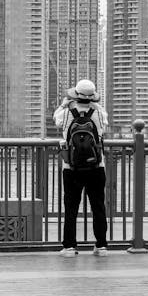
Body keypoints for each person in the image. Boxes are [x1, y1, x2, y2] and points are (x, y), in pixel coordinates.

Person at [53, 79, 109, 257]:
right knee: (98, 206)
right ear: (92, 97)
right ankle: (101, 246)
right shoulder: (99, 112)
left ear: (75, 94)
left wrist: (63, 105)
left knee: (71, 207)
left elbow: (57, 122)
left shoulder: (66, 112)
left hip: (71, 167)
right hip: (96, 166)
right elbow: (103, 129)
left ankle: (69, 247)